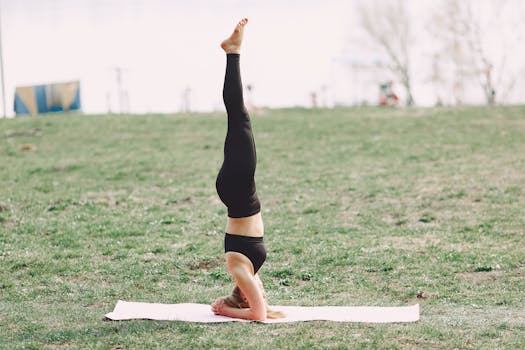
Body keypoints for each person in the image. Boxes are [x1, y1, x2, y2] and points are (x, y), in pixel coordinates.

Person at [211, 18, 284, 321]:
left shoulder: (240, 270)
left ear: (245, 296)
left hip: (239, 191)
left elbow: (259, 316)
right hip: (240, 193)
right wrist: (270, 309)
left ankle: (232, 53)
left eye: (258, 295)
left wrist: (224, 310)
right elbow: (268, 312)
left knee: (238, 116)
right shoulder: (247, 272)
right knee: (238, 118)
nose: (263, 293)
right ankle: (233, 52)